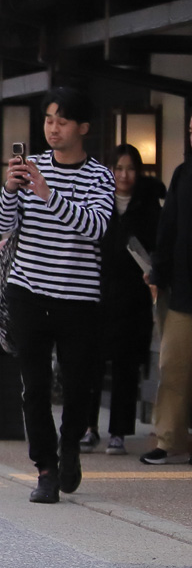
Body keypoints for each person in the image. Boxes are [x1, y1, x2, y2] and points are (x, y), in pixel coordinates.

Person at [0, 87, 116, 504]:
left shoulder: (98, 176)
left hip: (78, 297)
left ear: (83, 127)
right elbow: (2, 224)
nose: (53, 128)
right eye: (48, 120)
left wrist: (48, 194)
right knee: (35, 386)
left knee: (78, 386)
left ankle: (70, 445)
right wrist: (11, 190)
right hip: (28, 289)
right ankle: (45, 469)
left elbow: (96, 227)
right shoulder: (32, 167)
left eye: (62, 121)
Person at [83, 144, 163, 454]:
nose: (124, 175)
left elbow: (158, 246)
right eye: (118, 168)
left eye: (130, 168)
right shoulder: (98, 201)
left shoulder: (148, 206)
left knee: (126, 365)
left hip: (133, 296)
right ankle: (88, 427)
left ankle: (118, 431)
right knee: (90, 363)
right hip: (96, 291)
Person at [145, 111, 192, 466]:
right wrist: (157, 271)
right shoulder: (183, 173)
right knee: (174, 365)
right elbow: (168, 225)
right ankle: (170, 439)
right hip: (183, 289)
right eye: (191, 129)